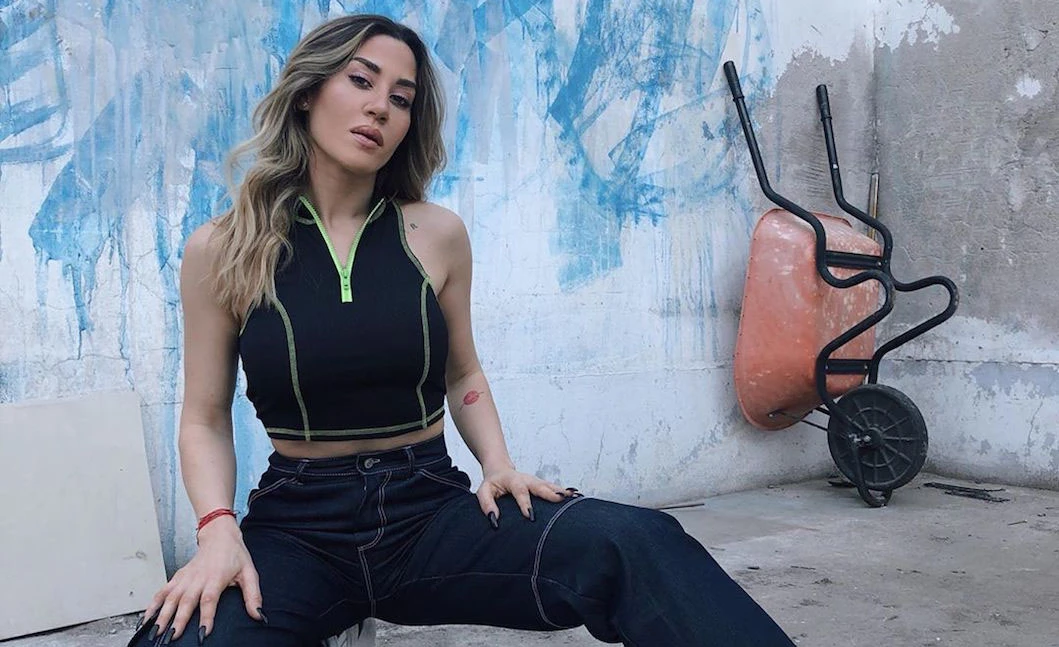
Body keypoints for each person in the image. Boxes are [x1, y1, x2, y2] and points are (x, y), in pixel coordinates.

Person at [129, 14, 795, 647]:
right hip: (297, 526)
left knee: (635, 541)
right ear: (307, 92)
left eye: (401, 98)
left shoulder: (435, 234)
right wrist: (217, 529)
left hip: (428, 511)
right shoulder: (223, 247)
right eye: (360, 81)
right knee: (179, 635)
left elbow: (462, 372)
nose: (380, 108)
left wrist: (497, 465)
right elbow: (205, 417)